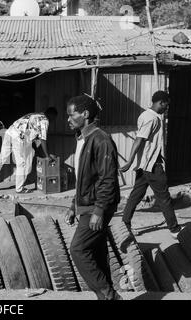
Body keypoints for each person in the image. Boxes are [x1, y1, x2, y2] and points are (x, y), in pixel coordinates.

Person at [64, 95, 122, 300]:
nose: (68, 119)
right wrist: (74, 205)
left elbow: (108, 179)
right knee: (97, 254)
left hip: (97, 206)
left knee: (78, 249)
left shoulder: (101, 139)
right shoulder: (82, 138)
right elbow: (84, 178)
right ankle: (105, 297)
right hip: (87, 204)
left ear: (85, 114)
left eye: (72, 114)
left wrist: (99, 210)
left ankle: (109, 296)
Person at [120, 91, 181, 238]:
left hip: (144, 165)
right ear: (161, 102)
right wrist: (129, 161)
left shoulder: (146, 115)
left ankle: (125, 224)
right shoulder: (151, 118)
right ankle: (174, 229)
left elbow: (148, 142)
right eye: (167, 105)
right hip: (152, 166)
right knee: (164, 198)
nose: (167, 108)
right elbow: (139, 140)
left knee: (136, 195)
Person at [0, 108, 58, 194]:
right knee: (22, 163)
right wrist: (47, 156)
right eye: (54, 118)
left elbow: (32, 137)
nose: (53, 120)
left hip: (10, 132)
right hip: (19, 137)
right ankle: (19, 188)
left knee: (1, 159)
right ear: (52, 115)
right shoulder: (45, 120)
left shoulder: (34, 114)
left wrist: (39, 152)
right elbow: (43, 139)